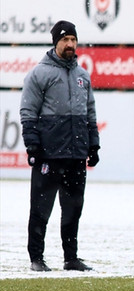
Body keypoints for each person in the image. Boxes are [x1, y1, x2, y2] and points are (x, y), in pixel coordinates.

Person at [20, 20, 100, 272]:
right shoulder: (39, 74)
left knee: (73, 209)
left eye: (73, 40)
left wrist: (93, 146)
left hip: (75, 154)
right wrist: (32, 146)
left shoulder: (82, 76)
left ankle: (71, 258)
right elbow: (28, 112)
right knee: (41, 209)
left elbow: (90, 114)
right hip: (49, 154)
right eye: (65, 40)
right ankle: (36, 258)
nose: (70, 44)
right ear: (55, 42)